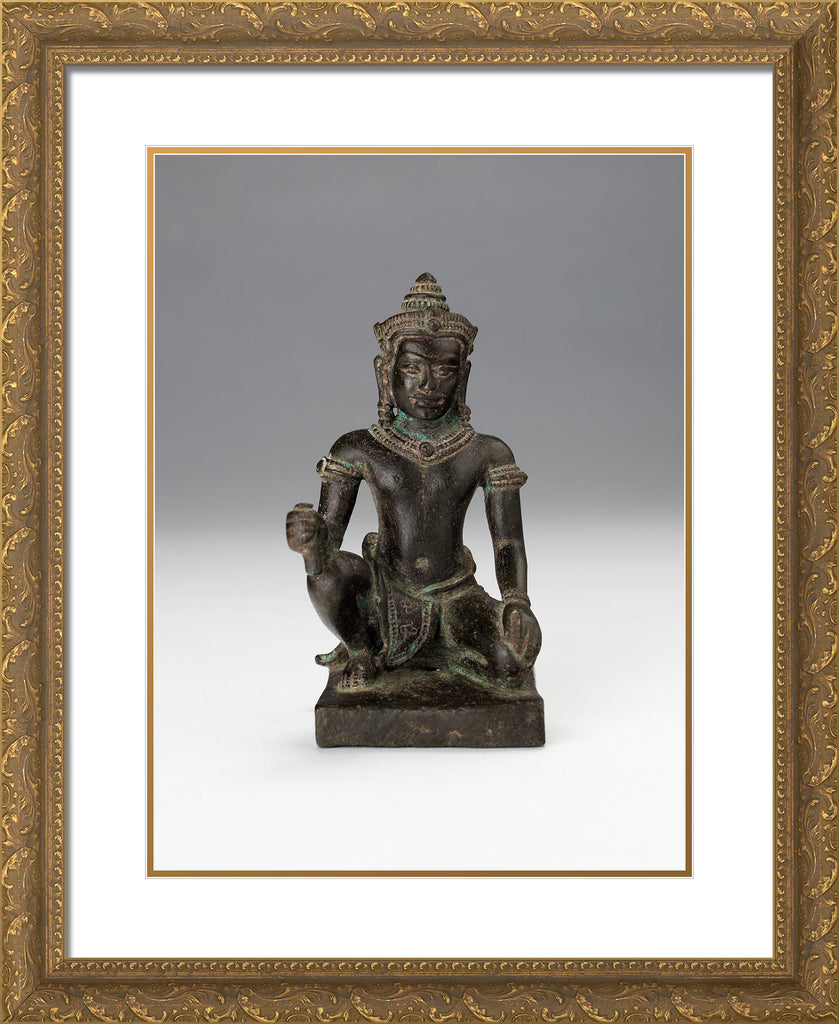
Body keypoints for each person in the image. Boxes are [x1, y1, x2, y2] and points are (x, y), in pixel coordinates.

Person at [287, 273, 541, 691]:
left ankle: (443, 651)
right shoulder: (358, 448)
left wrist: (517, 602)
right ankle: (363, 652)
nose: (427, 385)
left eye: (444, 370)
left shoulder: (487, 452)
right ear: (385, 373)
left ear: (463, 377)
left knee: (514, 659)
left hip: (458, 596)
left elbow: (508, 543)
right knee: (327, 575)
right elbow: (330, 536)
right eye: (411, 368)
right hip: (386, 592)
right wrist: (312, 541)